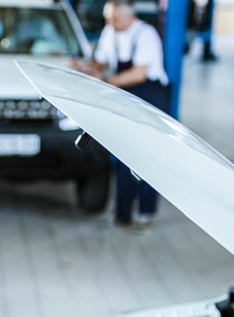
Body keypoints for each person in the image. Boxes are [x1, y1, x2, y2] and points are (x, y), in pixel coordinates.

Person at [71, 0, 170, 227]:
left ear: (129, 16)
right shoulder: (111, 32)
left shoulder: (146, 35)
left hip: (149, 96)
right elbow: (102, 61)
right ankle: (122, 213)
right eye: (108, 19)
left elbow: (139, 73)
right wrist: (84, 66)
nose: (110, 23)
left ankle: (146, 211)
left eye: (114, 19)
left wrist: (106, 80)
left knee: (147, 155)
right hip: (125, 95)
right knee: (125, 152)